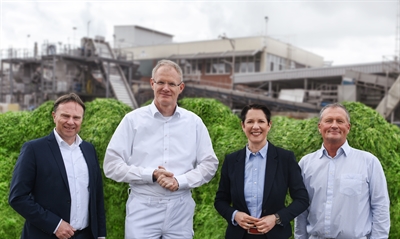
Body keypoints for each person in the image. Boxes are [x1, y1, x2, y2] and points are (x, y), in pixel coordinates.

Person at [103, 59, 219, 239]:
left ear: (181, 88)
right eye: (161, 82)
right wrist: (151, 174)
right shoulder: (132, 120)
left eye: (172, 84)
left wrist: (180, 181)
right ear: (152, 83)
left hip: (180, 210)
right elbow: (111, 165)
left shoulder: (194, 123)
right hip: (143, 208)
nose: (166, 88)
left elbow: (209, 164)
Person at [9, 93, 107, 239]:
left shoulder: (88, 149)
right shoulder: (34, 149)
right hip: (45, 235)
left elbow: (96, 195)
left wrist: (100, 235)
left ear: (82, 119)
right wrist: (55, 224)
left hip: (86, 235)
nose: (71, 122)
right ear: (54, 116)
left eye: (76, 118)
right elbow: (18, 197)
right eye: (65, 116)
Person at [294, 103, 390, 239]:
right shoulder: (306, 163)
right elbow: (301, 209)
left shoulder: (369, 162)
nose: (334, 125)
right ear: (319, 127)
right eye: (328, 121)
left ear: (348, 127)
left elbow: (380, 207)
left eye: (340, 121)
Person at [214, 103, 309, 239]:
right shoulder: (232, 160)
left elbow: (302, 199)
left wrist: (276, 218)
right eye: (250, 122)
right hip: (239, 236)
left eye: (261, 121)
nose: (256, 126)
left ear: (269, 125)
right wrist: (235, 215)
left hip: (274, 235)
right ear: (243, 126)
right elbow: (220, 200)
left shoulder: (285, 158)